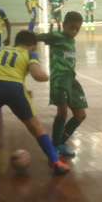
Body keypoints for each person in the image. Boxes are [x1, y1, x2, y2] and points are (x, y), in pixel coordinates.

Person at [0, 30, 70, 175]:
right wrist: (47, 75)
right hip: (15, 89)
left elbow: (5, 72)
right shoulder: (30, 54)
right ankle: (56, 162)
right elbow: (38, 75)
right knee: (36, 127)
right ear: (32, 46)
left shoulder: (2, 51)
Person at [36, 12, 87, 158]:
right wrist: (25, 42)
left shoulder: (71, 40)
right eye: (72, 27)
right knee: (62, 112)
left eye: (78, 29)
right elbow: (38, 37)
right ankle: (56, 145)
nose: (75, 31)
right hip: (59, 80)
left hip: (71, 80)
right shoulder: (56, 36)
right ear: (64, 25)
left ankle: (59, 143)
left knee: (80, 115)